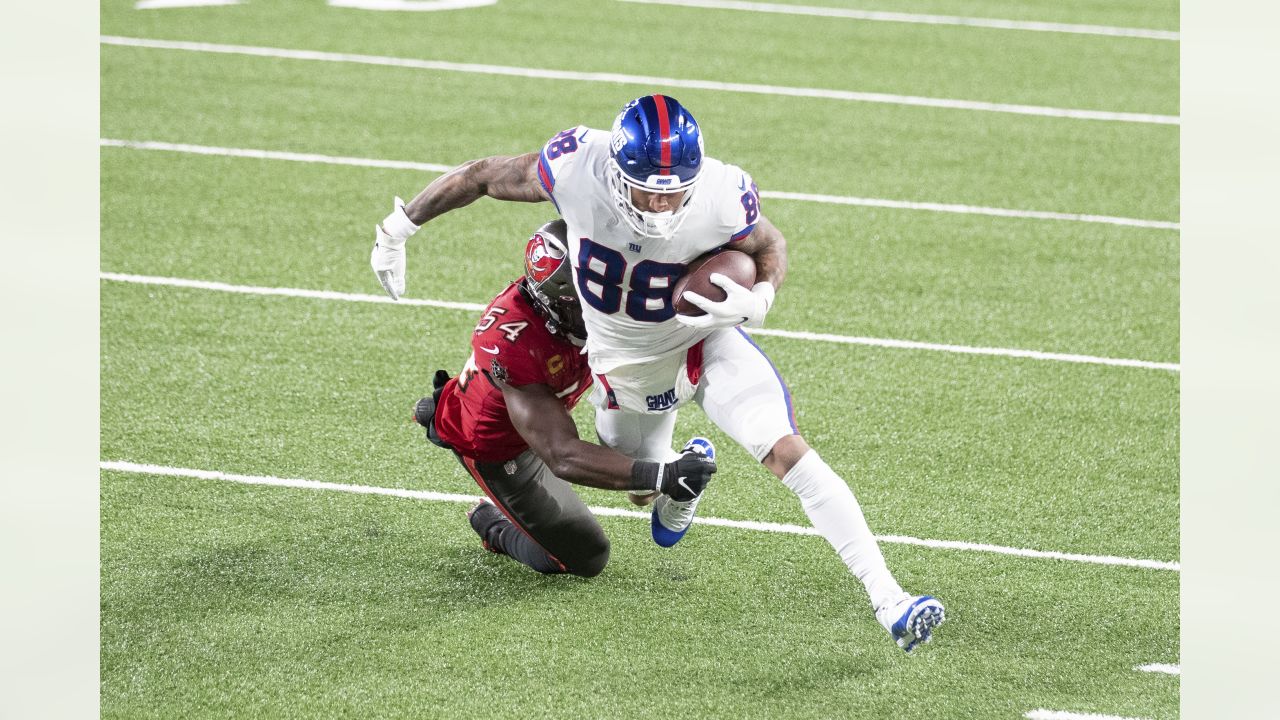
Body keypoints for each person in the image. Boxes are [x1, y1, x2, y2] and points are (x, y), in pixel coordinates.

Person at [373, 96, 944, 651]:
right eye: (646, 189)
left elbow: (769, 243)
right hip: (629, 374)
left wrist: (762, 295)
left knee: (788, 452)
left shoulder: (723, 192)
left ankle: (889, 598)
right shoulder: (578, 165)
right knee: (644, 492)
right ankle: (676, 482)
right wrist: (399, 226)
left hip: (706, 339)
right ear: (617, 169)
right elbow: (481, 175)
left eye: (673, 195)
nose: (658, 208)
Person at [413, 219, 718, 578]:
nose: (609, 308)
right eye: (594, 300)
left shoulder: (565, 308)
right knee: (586, 557)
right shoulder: (515, 346)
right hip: (500, 447)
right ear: (559, 301)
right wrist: (665, 476)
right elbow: (562, 454)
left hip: (539, 413)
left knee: (637, 474)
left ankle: (442, 409)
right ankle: (491, 524)